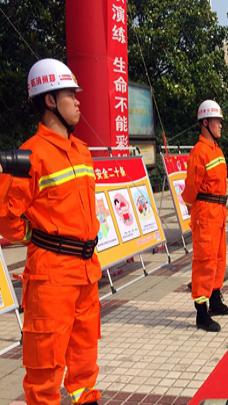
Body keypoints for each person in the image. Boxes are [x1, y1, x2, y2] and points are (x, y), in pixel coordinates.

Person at [0, 58, 102, 405]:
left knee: (84, 355)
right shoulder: (30, 155)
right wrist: (36, 235)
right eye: (70, 94)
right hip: (51, 277)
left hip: (86, 271)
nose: (77, 101)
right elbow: (5, 216)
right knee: (45, 368)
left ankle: (85, 398)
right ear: (49, 100)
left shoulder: (82, 152)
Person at [183, 99, 228, 333]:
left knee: (218, 259)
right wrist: (193, 209)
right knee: (204, 262)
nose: (221, 125)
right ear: (205, 122)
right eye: (217, 121)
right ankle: (201, 314)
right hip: (206, 213)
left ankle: (215, 300)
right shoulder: (199, 151)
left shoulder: (216, 150)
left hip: (218, 212)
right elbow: (191, 188)